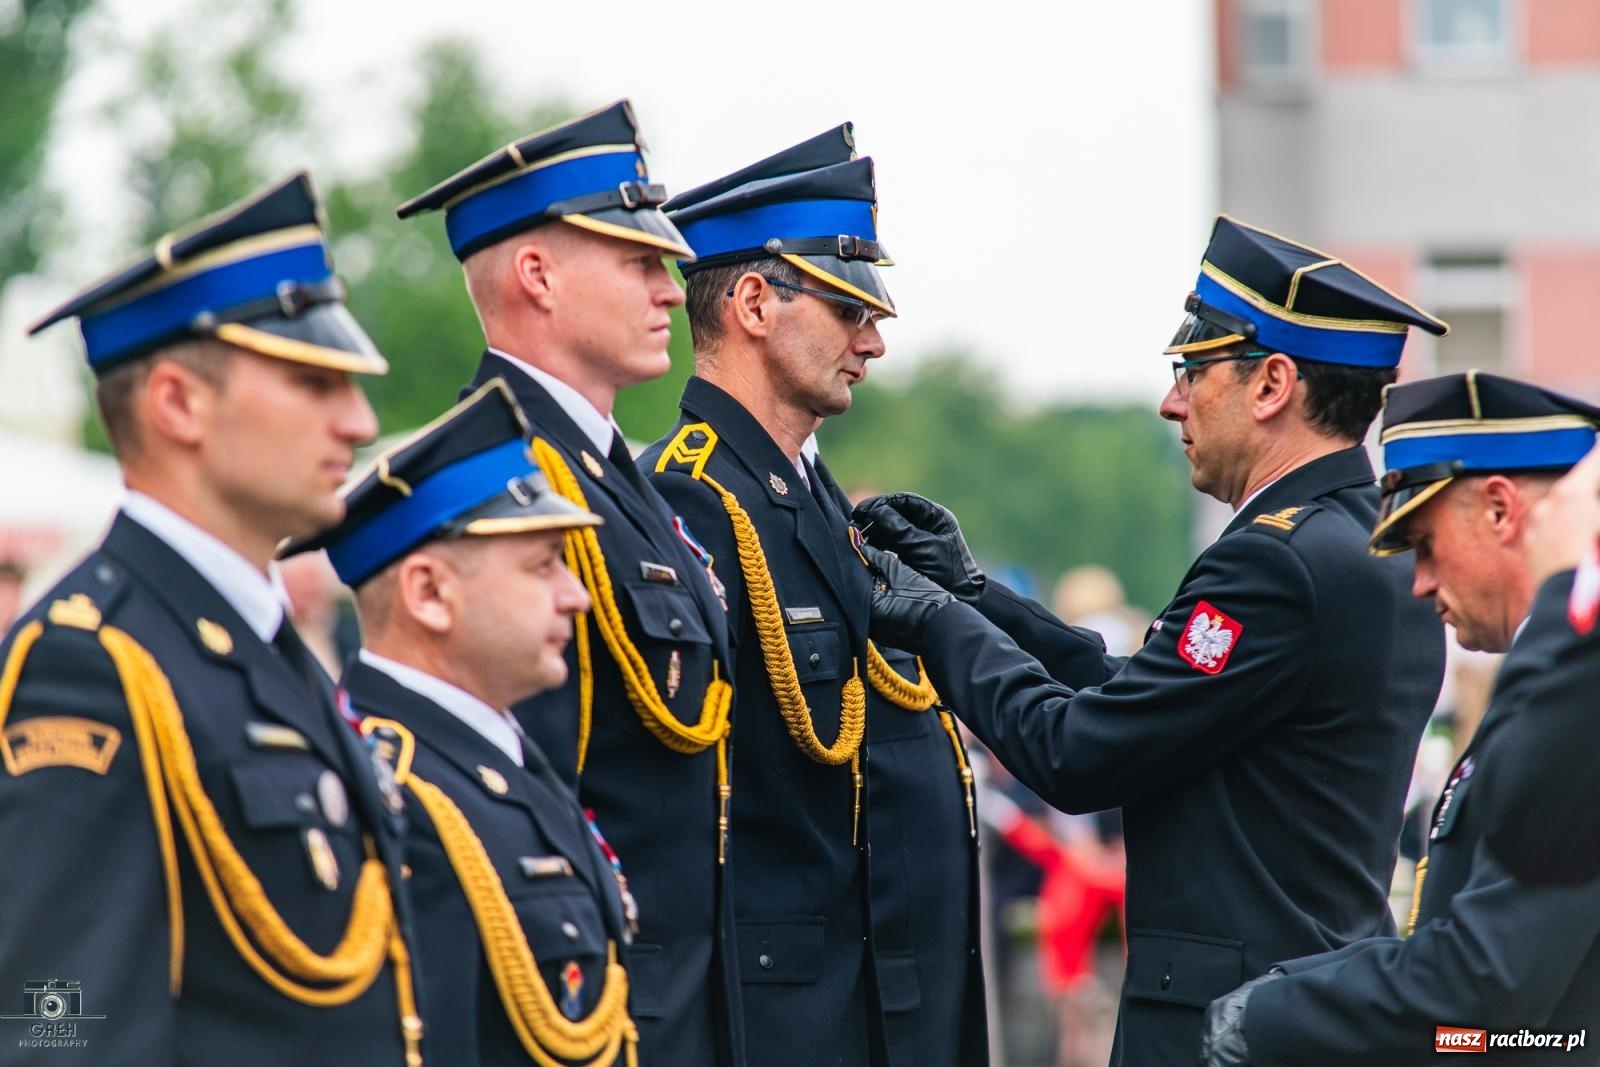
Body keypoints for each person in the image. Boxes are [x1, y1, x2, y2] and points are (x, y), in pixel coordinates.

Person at [857, 215, 1448, 1066]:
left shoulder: (1276, 560)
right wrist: (975, 594)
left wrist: (934, 621)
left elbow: (1079, 750)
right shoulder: (1364, 540)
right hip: (1307, 1003)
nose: (1173, 402)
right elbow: (1145, 690)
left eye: (1192, 370)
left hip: (1234, 1024)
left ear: (1272, 383)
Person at [0, 173, 419, 1065]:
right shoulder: (90, 665)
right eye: (314, 382)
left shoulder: (264, 646)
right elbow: (56, 1032)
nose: (359, 422)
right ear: (178, 403)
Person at [394, 100, 740, 1066]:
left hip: (689, 1013)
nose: (670, 289)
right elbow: (518, 801)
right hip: (596, 1018)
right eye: (637, 262)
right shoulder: (501, 485)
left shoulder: (616, 476)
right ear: (537, 275)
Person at [649, 124, 988, 1067]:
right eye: (847, 309)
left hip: (882, 1005)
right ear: (755, 303)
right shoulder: (689, 498)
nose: (872, 341)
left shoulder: (817, 498)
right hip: (787, 1020)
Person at [1199, 371, 1600, 1065]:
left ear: (1499, 510)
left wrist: (1271, 1017)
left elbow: (1485, 990)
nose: (1419, 582)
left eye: (1425, 543)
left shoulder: (1578, 693)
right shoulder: (1561, 678)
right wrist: (1291, 985)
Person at [288, 381, 642, 1066]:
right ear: (428, 593)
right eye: (542, 567)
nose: (576, 596)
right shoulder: (388, 792)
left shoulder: (499, 755)